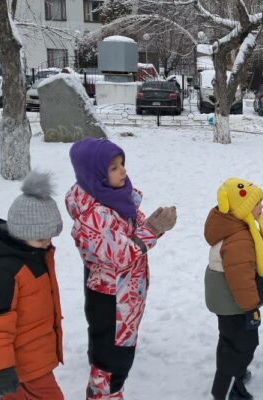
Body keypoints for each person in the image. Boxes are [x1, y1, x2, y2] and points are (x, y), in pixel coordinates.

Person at [66, 137, 177, 399]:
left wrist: (151, 228)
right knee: (111, 358)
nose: (123, 171)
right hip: (110, 298)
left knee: (121, 351)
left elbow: (137, 232)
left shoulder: (118, 197)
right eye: (114, 167)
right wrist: (152, 230)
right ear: (95, 174)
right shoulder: (93, 214)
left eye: (122, 164)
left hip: (127, 294)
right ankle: (103, 394)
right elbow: (123, 254)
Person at [0, 171, 65, 399]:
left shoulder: (32, 253)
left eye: (50, 236)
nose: (48, 242)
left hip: (34, 356)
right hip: (22, 362)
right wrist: (2, 368)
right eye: (41, 238)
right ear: (21, 232)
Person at [204, 178, 263, 400]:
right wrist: (251, 308)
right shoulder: (240, 238)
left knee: (230, 339)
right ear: (242, 207)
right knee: (243, 343)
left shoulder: (238, 227)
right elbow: (240, 277)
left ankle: (235, 374)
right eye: (257, 204)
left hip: (227, 299)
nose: (262, 207)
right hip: (234, 301)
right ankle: (228, 388)